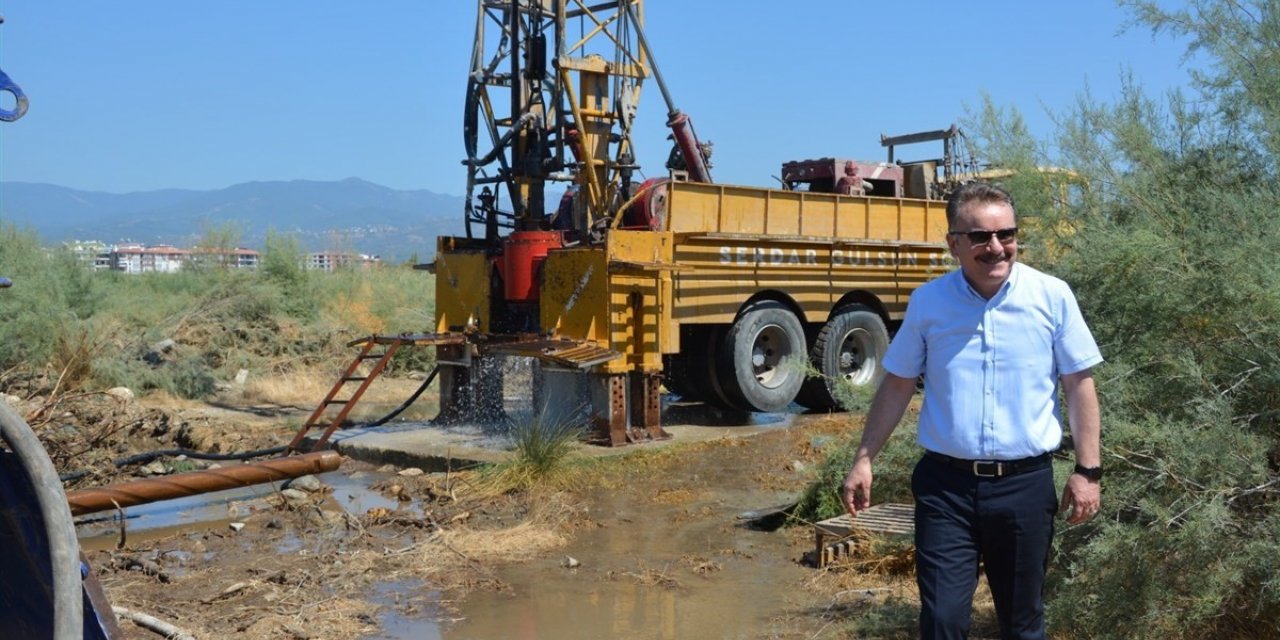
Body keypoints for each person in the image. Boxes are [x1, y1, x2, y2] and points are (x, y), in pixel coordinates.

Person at [842, 182, 1102, 640]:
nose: (996, 247)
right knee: (943, 622)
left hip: (1024, 488)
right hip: (946, 489)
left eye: (1006, 234)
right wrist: (864, 458)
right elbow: (899, 383)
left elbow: (1079, 384)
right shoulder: (929, 302)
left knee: (1023, 625)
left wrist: (1088, 470)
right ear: (954, 244)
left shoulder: (1052, 296)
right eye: (980, 237)